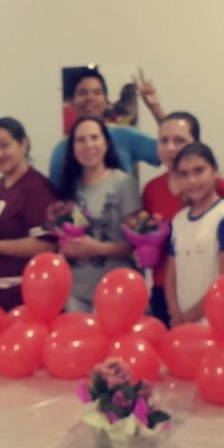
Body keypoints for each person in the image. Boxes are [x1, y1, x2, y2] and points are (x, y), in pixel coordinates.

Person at [142, 111, 224, 322]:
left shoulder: (220, 194)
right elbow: (148, 235)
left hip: (210, 301)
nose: (171, 148)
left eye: (179, 140)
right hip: (166, 289)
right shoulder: (152, 190)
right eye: (164, 141)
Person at [0, 118, 56, 310]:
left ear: (23, 144)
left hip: (20, 298)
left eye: (4, 145)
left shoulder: (36, 188)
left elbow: (45, 245)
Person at [56, 116, 140, 312]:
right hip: (75, 289)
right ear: (72, 148)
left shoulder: (123, 183)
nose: (88, 145)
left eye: (94, 137)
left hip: (114, 289)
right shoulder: (69, 186)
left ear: (106, 143)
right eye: (81, 140)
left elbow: (134, 245)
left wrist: (97, 249)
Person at [163, 143, 224, 325]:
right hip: (183, 324)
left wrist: (188, 317)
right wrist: (176, 314)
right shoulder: (178, 220)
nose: (192, 180)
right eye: (184, 174)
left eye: (199, 171)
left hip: (218, 324)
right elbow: (170, 279)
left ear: (214, 171)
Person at [48, 68, 161, 177]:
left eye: (97, 92)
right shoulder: (62, 150)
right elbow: (56, 189)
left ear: (106, 100)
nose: (90, 98)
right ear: (71, 101)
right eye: (82, 92)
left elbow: (167, 152)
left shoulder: (125, 136)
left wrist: (155, 107)